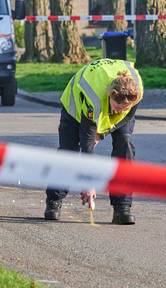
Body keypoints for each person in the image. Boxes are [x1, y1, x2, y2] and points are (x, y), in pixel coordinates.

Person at [44, 58, 144, 225]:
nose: (121, 111)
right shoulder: (94, 97)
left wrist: (103, 132)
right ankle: (54, 200)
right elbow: (88, 143)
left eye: (125, 108)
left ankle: (122, 207)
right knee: (68, 152)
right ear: (110, 96)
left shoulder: (137, 90)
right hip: (75, 108)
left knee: (125, 143)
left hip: (103, 102)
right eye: (118, 107)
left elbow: (127, 117)